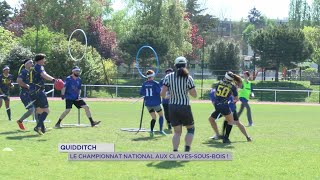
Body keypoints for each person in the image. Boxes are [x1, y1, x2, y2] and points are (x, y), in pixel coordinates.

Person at [160, 56, 197, 152]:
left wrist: (168, 96)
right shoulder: (188, 78)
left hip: (172, 107)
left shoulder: (168, 77)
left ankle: (175, 151)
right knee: (190, 129)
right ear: (185, 65)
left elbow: (162, 94)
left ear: (175, 65)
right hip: (184, 106)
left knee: (177, 133)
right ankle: (187, 149)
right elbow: (194, 95)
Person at [29, 53, 57, 135]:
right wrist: (53, 80)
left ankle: (43, 129)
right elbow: (44, 75)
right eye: (44, 59)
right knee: (47, 111)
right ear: (40, 60)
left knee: (39, 111)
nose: (44, 60)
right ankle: (38, 127)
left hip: (31, 91)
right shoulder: (39, 66)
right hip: (39, 91)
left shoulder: (32, 68)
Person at [211, 71, 241, 143]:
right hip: (224, 105)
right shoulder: (232, 86)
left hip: (217, 105)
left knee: (211, 119)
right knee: (231, 121)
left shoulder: (219, 83)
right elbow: (236, 99)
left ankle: (218, 135)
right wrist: (231, 101)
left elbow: (215, 94)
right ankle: (226, 138)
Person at [139, 69, 165, 137]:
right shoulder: (155, 83)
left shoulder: (144, 84)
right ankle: (161, 130)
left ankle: (151, 131)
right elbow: (159, 92)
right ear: (152, 76)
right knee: (161, 115)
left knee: (154, 117)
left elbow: (141, 92)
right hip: (155, 103)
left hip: (148, 104)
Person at [16, 59, 38, 130]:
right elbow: (19, 81)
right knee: (31, 109)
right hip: (25, 94)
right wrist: (27, 86)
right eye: (30, 62)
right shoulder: (23, 72)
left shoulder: (31, 72)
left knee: (37, 109)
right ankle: (20, 121)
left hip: (31, 93)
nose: (32, 64)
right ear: (26, 64)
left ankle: (39, 126)